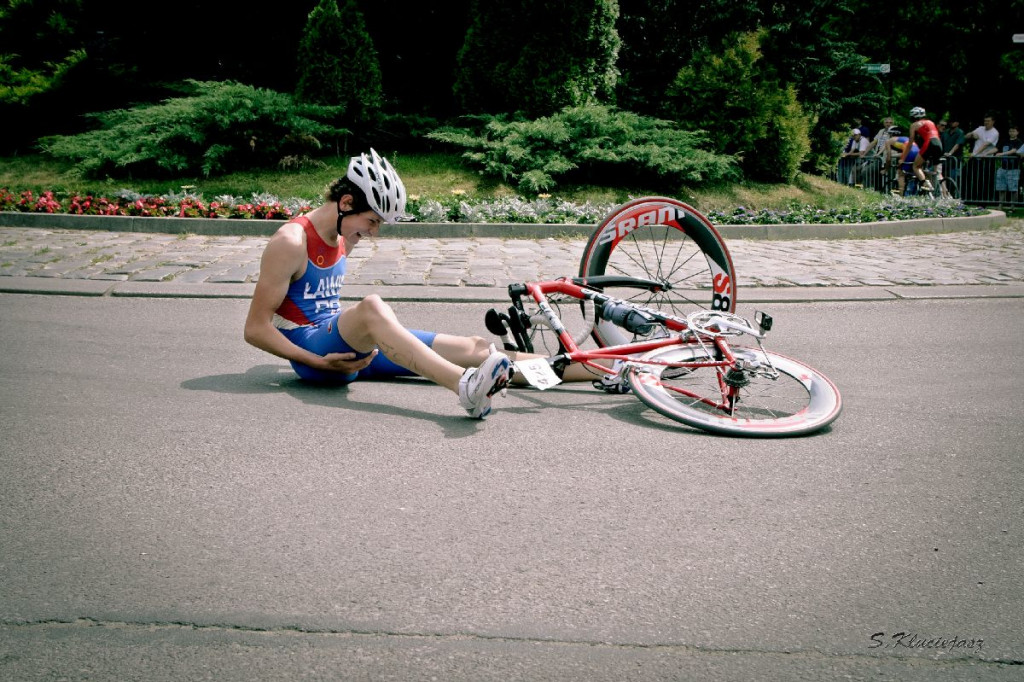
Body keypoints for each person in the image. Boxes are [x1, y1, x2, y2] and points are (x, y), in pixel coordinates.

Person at [243, 149, 515, 419]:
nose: (373, 233)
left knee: (473, 348)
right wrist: (317, 362)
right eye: (372, 221)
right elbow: (255, 329)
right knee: (371, 307)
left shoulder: (343, 235)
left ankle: (554, 368)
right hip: (315, 353)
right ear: (346, 203)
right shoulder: (291, 242)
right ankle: (465, 386)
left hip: (347, 346)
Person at [905, 107, 944, 192]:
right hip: (938, 143)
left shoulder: (914, 125)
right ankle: (945, 193)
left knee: (916, 166)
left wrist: (905, 154)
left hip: (929, 143)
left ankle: (926, 184)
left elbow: (911, 141)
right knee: (937, 171)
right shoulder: (930, 122)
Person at [964, 114, 1000, 201]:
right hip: (975, 158)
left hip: (985, 159)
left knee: (983, 181)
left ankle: (983, 200)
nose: (986, 123)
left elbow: (985, 145)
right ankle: (970, 198)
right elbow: (966, 136)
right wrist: (972, 135)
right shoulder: (980, 128)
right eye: (985, 121)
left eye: (988, 121)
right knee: (970, 178)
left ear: (993, 122)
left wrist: (975, 153)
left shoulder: (994, 133)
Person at [994, 125, 1021, 206]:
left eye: (1013, 131)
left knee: (1013, 189)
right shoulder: (1004, 141)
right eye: (1010, 131)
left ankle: (1012, 206)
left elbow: (1014, 150)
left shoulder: (1019, 142)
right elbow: (996, 149)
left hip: (1014, 168)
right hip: (1003, 168)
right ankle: (1000, 205)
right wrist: (986, 153)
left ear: (1017, 132)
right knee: (1001, 188)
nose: (1011, 133)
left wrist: (1001, 154)